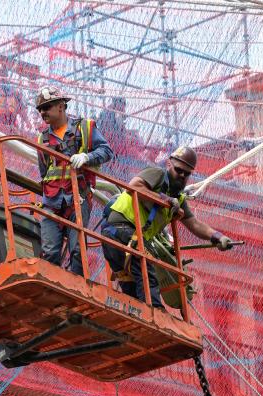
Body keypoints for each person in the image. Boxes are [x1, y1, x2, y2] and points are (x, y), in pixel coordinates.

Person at [100, 146, 236, 308]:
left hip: (122, 239)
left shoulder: (178, 198)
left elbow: (194, 224)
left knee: (133, 290)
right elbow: (134, 186)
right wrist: (164, 200)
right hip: (120, 229)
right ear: (169, 165)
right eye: (179, 170)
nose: (182, 176)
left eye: (187, 174)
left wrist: (218, 237)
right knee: (147, 272)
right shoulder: (156, 174)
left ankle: (137, 315)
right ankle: (155, 313)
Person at [34, 86, 114, 275]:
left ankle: (77, 287)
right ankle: (51, 288)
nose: (42, 112)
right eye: (40, 109)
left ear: (61, 106)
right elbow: (44, 172)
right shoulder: (42, 139)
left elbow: (107, 151)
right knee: (50, 251)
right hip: (52, 201)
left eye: (47, 107)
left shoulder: (85, 127)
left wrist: (87, 157)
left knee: (77, 251)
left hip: (78, 198)